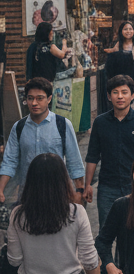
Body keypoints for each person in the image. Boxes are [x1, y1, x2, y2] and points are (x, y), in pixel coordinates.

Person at [85, 76, 134, 233]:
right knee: (106, 230)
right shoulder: (100, 123)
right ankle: (107, 259)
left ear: (132, 95)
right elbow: (92, 156)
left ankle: (126, 258)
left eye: (124, 92)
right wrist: (87, 184)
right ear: (109, 96)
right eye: (115, 92)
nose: (120, 96)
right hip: (107, 187)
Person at [0, 77, 85, 205]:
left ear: (49, 99)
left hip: (57, 195)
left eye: (39, 98)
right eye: (30, 98)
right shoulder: (19, 127)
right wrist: (1, 189)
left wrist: (79, 191)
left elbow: (74, 162)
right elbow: (9, 162)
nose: (34, 103)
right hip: (28, 196)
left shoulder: (62, 124)